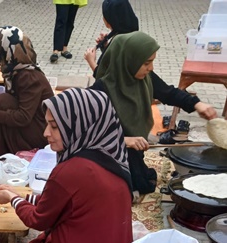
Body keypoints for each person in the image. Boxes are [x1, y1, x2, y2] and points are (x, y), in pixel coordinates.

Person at [0, 88, 133, 243]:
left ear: (79, 124)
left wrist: (12, 198)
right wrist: (23, 195)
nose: (46, 133)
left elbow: (37, 220)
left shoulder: (69, 171)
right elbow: (61, 201)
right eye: (47, 124)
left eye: (55, 127)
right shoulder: (114, 156)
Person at [92, 32, 218, 195]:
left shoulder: (144, 77)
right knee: (133, 186)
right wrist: (124, 140)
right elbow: (88, 134)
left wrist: (197, 104)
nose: (150, 68)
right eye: (146, 63)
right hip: (110, 151)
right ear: (129, 61)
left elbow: (168, 93)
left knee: (142, 179)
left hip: (133, 147)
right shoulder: (100, 91)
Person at [0, 26, 51, 156]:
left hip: (43, 133)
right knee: (3, 100)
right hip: (32, 123)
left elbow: (23, 117)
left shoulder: (28, 76)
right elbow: (11, 104)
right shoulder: (15, 70)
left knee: (3, 101)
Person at [83, 0, 139, 76]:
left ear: (110, 20)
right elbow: (114, 63)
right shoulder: (132, 36)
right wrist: (106, 46)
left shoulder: (120, 43)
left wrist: (91, 61)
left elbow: (106, 80)